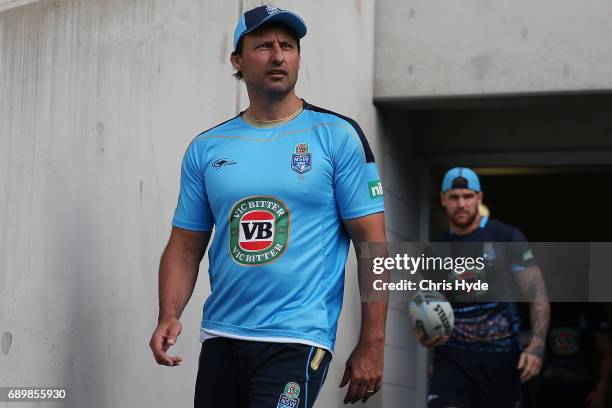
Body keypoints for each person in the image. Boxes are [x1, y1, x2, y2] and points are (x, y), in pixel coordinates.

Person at [148, 5, 388, 407]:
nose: (278, 55)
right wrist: (169, 313)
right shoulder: (207, 147)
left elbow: (374, 246)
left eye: (288, 46)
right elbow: (185, 246)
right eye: (264, 46)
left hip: (296, 338)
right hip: (222, 336)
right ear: (237, 60)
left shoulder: (337, 135)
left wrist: (373, 343)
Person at [417, 167, 550, 408]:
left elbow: (537, 293)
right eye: (454, 197)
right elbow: (427, 303)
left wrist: (537, 346)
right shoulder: (434, 249)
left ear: (479, 197)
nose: (461, 204)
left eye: (468, 196)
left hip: (501, 356)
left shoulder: (506, 236)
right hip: (452, 358)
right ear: (443, 200)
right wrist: (426, 332)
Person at [539, 302, 611, 408]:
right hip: (548, 391)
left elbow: (607, 352)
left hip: (583, 393)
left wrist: (601, 388)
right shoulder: (541, 307)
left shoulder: (592, 309)